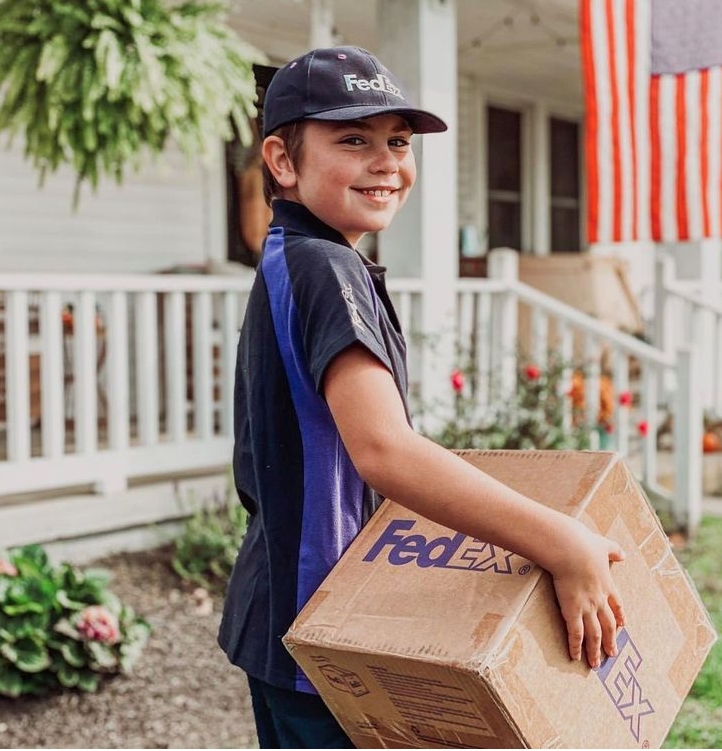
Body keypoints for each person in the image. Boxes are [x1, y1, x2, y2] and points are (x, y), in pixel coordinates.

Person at [218, 46, 626, 750]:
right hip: (322, 619)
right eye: (353, 139)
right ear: (282, 161)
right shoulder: (325, 268)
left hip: (297, 606)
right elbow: (385, 450)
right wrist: (563, 542)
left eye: (398, 142)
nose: (386, 162)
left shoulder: (300, 256)